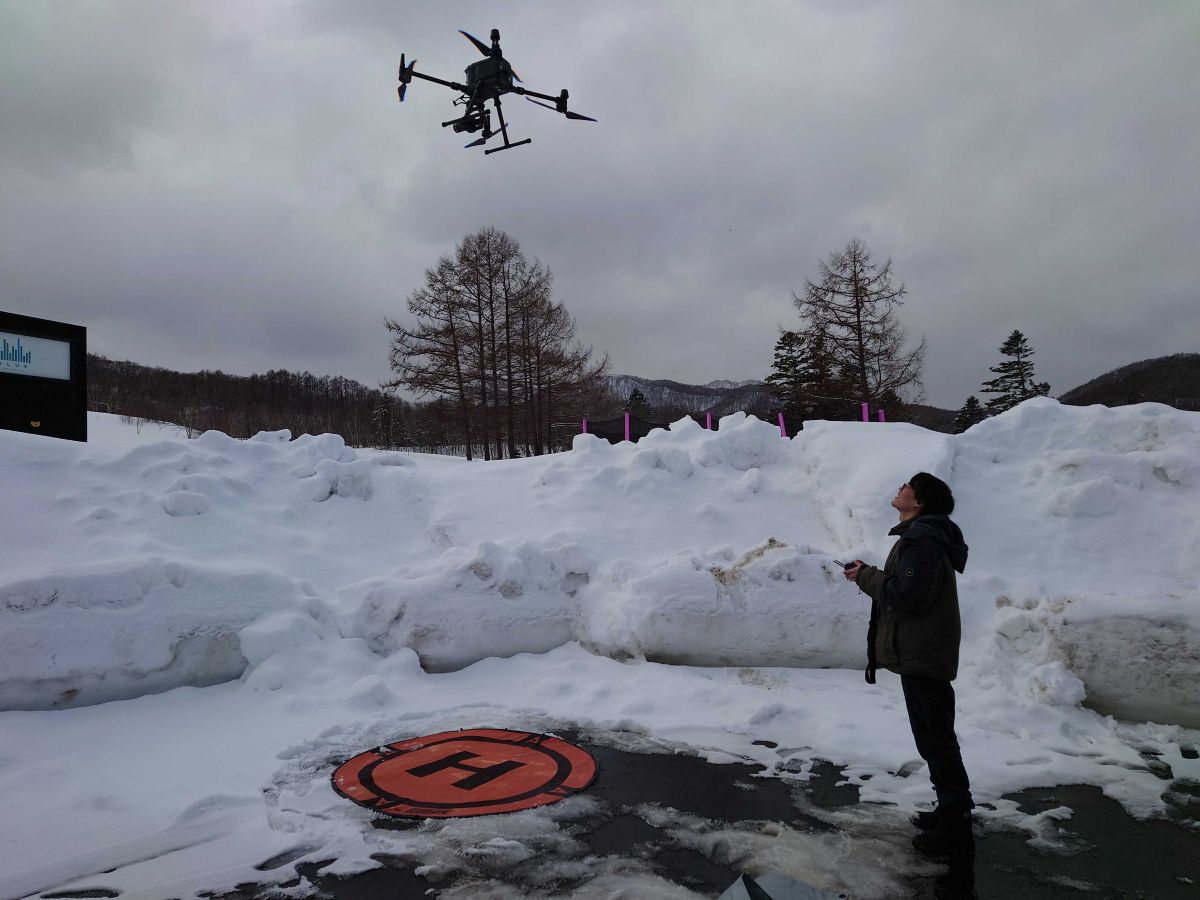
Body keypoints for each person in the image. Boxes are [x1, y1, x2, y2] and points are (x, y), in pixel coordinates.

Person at [843, 472, 973, 854]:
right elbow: (908, 587)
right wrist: (869, 574)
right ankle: (950, 810)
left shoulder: (922, 540)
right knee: (933, 736)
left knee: (936, 738)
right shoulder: (920, 538)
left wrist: (865, 577)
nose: (900, 488)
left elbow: (908, 597)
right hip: (922, 650)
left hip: (923, 653)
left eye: (907, 485)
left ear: (918, 502)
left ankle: (956, 823)